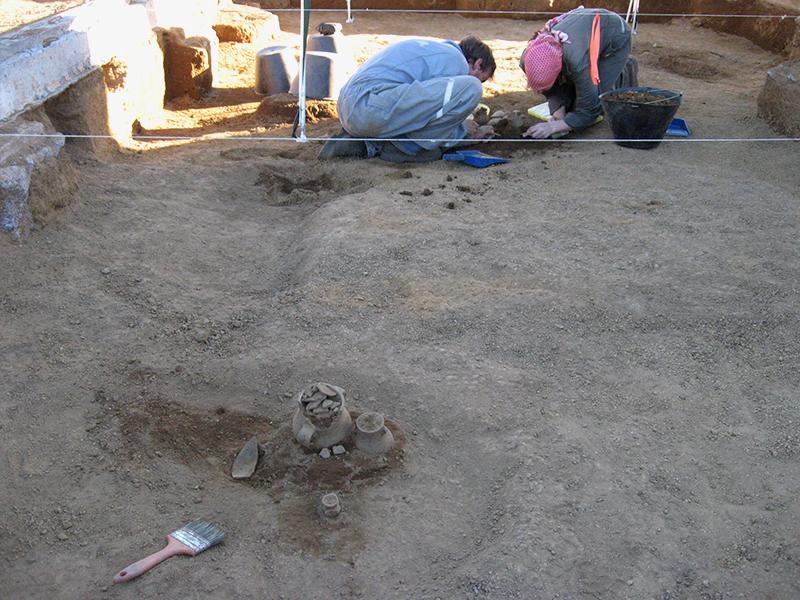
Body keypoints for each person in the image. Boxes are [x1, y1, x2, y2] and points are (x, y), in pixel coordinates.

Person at [319, 36, 496, 162]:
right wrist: (461, 131)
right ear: (478, 63)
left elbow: (416, 105)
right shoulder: (456, 60)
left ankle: (363, 145)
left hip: (349, 107)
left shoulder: (434, 50)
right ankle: (406, 148)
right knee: (471, 88)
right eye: (481, 77)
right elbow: (429, 112)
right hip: (369, 106)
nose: (479, 81)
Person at [519, 7, 638, 139]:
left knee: (598, 97)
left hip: (614, 34)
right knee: (571, 106)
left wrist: (553, 127)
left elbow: (589, 111)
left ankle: (626, 68)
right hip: (582, 36)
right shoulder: (527, 59)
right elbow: (549, 88)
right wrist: (558, 115)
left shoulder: (576, 63)